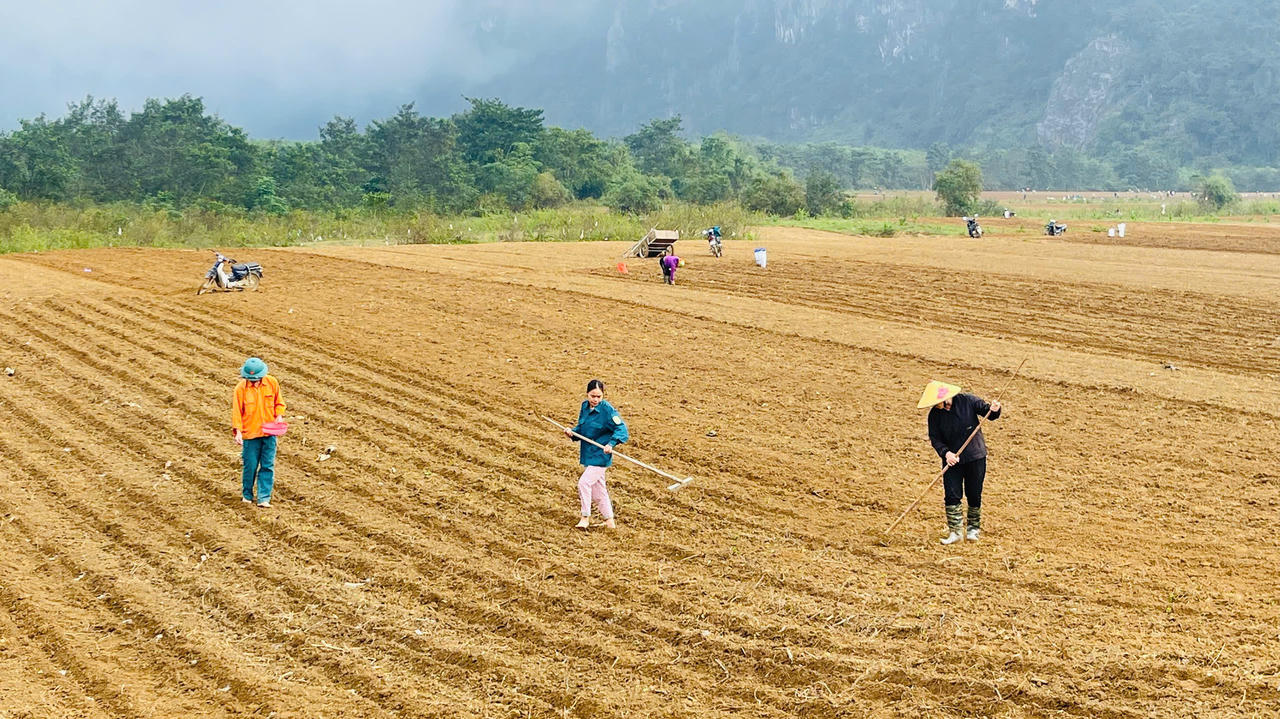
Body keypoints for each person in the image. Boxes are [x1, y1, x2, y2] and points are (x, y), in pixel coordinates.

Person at [919, 380, 1002, 544]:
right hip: (952, 461)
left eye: (936, 402)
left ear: (944, 398)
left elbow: (988, 413)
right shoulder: (934, 415)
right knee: (952, 494)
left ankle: (973, 529)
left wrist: (995, 409)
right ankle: (955, 532)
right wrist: (946, 453)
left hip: (975, 457)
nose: (935, 406)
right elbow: (935, 439)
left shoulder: (967, 401)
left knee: (974, 493)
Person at [564, 379, 629, 529]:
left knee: (584, 483)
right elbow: (582, 428)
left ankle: (585, 517)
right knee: (599, 490)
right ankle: (609, 521)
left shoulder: (608, 410)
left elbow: (622, 430)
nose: (595, 400)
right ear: (587, 394)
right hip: (589, 453)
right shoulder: (584, 407)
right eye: (592, 396)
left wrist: (611, 443)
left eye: (599, 396)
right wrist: (572, 432)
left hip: (601, 455)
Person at [232, 357, 286, 508]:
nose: (254, 382)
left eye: (257, 379)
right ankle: (247, 495)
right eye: (251, 380)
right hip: (250, 434)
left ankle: (264, 498)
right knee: (250, 466)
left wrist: (279, 415)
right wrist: (238, 432)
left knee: (267, 465)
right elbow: (237, 412)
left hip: (269, 433)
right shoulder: (240, 389)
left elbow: (279, 403)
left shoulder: (272, 383)